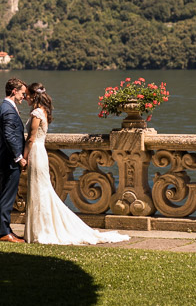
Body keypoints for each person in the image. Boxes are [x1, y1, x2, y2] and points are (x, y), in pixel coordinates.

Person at [22, 82, 130, 245]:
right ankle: (41, 228)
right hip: (41, 152)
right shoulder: (43, 111)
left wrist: (24, 156)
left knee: (39, 190)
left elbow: (31, 138)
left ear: (34, 95)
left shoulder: (37, 113)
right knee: (41, 190)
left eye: (28, 95)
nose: (25, 98)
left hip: (36, 152)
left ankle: (42, 230)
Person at [0, 77, 27, 242]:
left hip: (7, 159)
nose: (24, 97)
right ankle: (4, 233)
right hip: (10, 160)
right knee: (7, 197)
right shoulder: (8, 109)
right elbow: (9, 135)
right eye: (22, 93)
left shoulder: (6, 107)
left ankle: (6, 230)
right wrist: (19, 157)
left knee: (6, 196)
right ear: (14, 91)